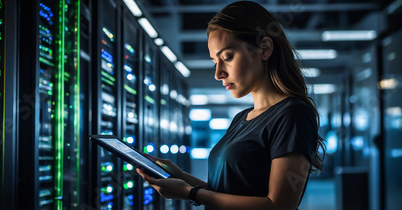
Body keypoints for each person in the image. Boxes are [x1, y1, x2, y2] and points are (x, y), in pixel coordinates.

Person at [136, 1, 326, 209]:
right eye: (214, 62)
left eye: (227, 57)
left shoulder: (293, 114)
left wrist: (192, 193)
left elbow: (279, 205)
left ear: (264, 48)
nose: (218, 74)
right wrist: (182, 177)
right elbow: (229, 192)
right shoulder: (242, 118)